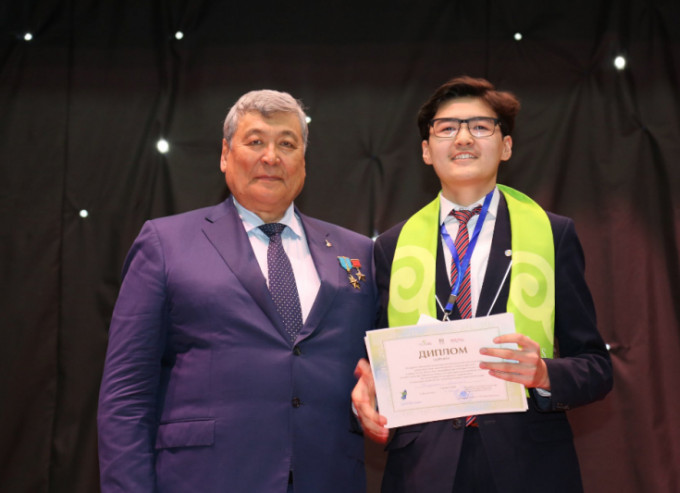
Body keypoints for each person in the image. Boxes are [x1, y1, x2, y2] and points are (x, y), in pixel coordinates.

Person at [98, 89, 377, 493]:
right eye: (256, 141)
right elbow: (126, 394)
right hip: (203, 478)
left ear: (303, 161)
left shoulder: (358, 252)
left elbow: (383, 360)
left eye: (287, 144)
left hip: (329, 476)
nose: (271, 157)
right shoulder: (165, 243)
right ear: (225, 155)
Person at [352, 76, 613, 493]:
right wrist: (370, 390)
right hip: (423, 469)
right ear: (426, 150)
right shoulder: (391, 246)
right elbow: (377, 364)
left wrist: (545, 373)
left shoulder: (552, 234)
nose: (463, 138)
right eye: (446, 128)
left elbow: (595, 366)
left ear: (506, 146)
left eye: (480, 126)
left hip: (528, 466)